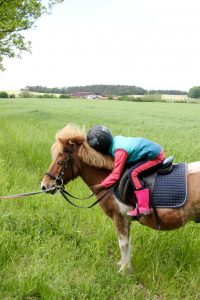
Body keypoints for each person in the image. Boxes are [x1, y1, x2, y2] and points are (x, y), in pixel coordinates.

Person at [87, 125, 165, 217]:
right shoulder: (115, 141)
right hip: (150, 150)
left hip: (156, 157)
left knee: (133, 174)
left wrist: (101, 186)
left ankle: (143, 207)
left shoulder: (119, 151)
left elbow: (116, 175)